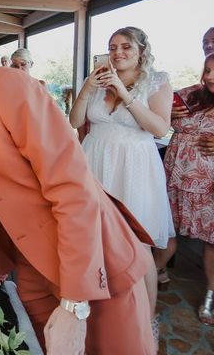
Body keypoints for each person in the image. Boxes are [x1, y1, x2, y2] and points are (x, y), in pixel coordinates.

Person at [0, 6, 155, 354]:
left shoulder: (6, 84)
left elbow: (72, 187)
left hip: (92, 259)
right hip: (31, 261)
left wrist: (76, 302)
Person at [69, 27, 173, 335]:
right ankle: (101, 312)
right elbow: (75, 122)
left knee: (138, 247)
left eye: (126, 46)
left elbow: (159, 128)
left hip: (134, 168)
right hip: (95, 162)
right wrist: (88, 88)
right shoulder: (98, 81)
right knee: (95, 242)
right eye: (112, 46)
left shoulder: (157, 81)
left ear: (141, 50)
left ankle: (147, 320)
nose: (118, 52)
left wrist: (124, 94)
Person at [155, 54, 214, 325]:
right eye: (208, 70)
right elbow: (155, 121)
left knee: (211, 240)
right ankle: (157, 271)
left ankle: (210, 296)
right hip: (174, 174)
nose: (210, 76)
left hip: (208, 182)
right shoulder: (189, 94)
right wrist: (166, 113)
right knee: (166, 228)